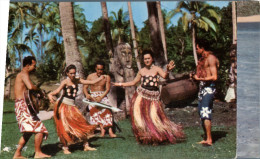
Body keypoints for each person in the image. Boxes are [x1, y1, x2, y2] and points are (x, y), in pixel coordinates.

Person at [113, 50, 185, 145]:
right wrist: (119, 84)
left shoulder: (156, 69)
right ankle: (146, 137)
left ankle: (156, 137)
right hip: (142, 95)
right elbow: (134, 82)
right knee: (141, 118)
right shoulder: (141, 71)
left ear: (152, 59)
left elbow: (164, 76)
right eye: (145, 59)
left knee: (154, 117)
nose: (147, 60)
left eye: (148, 58)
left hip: (153, 97)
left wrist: (167, 70)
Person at [48, 64, 105, 154]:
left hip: (72, 106)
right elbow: (56, 91)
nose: (73, 75)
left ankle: (86, 145)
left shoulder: (77, 80)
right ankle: (65, 148)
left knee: (81, 124)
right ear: (67, 73)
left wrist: (101, 78)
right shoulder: (65, 82)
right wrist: (50, 95)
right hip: (63, 106)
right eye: (71, 73)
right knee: (64, 127)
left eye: (74, 73)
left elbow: (90, 82)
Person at [13, 56, 50, 159]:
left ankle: (17, 154)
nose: (35, 67)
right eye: (34, 65)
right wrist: (39, 90)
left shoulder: (22, 75)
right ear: (28, 65)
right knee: (40, 129)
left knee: (29, 131)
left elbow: (27, 90)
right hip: (23, 106)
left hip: (21, 105)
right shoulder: (24, 74)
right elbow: (30, 87)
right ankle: (38, 153)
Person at [192, 40, 219, 146]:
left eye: (197, 48)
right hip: (202, 88)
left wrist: (199, 79)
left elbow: (214, 76)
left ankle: (209, 139)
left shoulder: (211, 58)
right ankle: (206, 137)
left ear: (202, 48)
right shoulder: (203, 59)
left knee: (205, 111)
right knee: (201, 112)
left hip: (209, 88)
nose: (196, 50)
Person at [83, 61, 116, 138]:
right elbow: (85, 87)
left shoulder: (107, 77)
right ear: (95, 68)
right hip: (93, 96)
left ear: (103, 69)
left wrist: (101, 97)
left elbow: (107, 89)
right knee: (94, 111)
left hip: (102, 95)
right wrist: (87, 95)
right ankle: (102, 130)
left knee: (107, 111)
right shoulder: (90, 76)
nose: (99, 71)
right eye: (98, 69)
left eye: (101, 69)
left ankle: (110, 131)